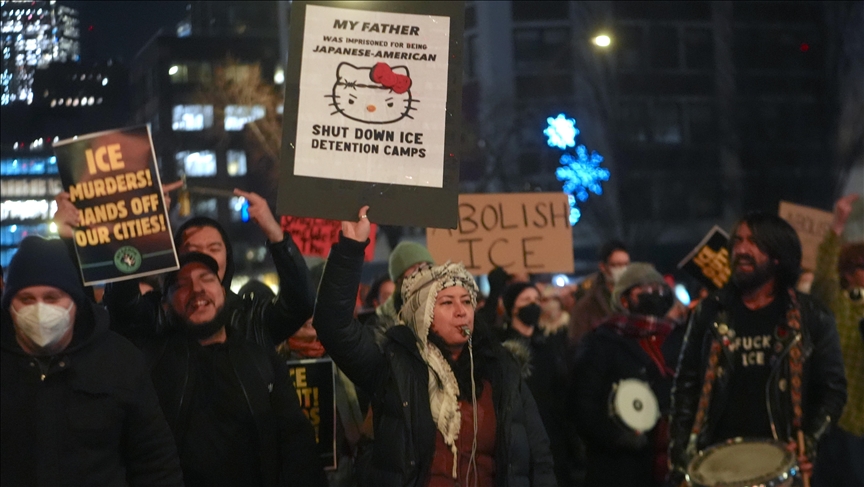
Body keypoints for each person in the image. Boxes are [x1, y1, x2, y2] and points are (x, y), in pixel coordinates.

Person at [312, 207, 557, 487]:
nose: (461, 311)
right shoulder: (394, 366)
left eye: (467, 301)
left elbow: (539, 457)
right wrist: (351, 249)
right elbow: (332, 326)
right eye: (447, 303)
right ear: (423, 316)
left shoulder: (501, 368)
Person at [669, 212, 847, 484]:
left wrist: (809, 442)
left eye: (754, 242)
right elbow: (686, 386)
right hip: (717, 467)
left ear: (778, 255)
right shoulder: (710, 312)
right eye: (738, 241)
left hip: (783, 467)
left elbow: (832, 391)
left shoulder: (812, 316)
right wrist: (682, 453)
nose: (741, 249)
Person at [122, 252, 326, 486]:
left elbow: (297, 442)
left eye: (207, 279)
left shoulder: (260, 357)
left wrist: (277, 238)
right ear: (166, 304)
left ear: (224, 292)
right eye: (181, 284)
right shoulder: (153, 363)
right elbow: (123, 311)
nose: (197, 289)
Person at [0, 236, 183, 486]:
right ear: (10, 305)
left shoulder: (119, 361)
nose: (40, 311)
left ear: (75, 302)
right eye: (27, 299)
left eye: (52, 298)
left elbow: (155, 463)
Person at [54, 188, 314, 349]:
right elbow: (121, 305)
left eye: (214, 249)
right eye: (192, 251)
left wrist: (274, 232)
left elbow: (300, 302)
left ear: (228, 257)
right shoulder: (155, 316)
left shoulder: (251, 320)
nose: (203, 258)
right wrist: (140, 228)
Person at [570, 263, 685, 486]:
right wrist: (616, 437)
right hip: (620, 467)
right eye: (645, 290)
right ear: (624, 300)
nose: (656, 295)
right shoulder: (601, 342)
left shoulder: (677, 338)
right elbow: (582, 404)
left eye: (659, 289)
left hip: (668, 463)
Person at [810, 194, 863, 487]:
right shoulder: (840, 307)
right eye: (861, 266)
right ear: (848, 274)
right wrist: (837, 226)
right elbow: (824, 280)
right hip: (846, 427)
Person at [500, 282, 573, 486]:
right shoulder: (502, 347)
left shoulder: (548, 346)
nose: (533, 305)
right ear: (512, 308)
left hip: (551, 437)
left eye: (536, 300)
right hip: (518, 440)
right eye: (526, 300)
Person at [367, 240, 434, 336]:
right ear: (399, 279)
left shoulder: (442, 304)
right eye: (414, 267)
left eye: (427, 266)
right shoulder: (382, 322)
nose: (422, 271)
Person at [569, 240, 630, 345]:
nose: (623, 270)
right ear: (603, 267)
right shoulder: (587, 305)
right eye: (617, 265)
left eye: (626, 264)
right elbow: (577, 342)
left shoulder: (634, 297)